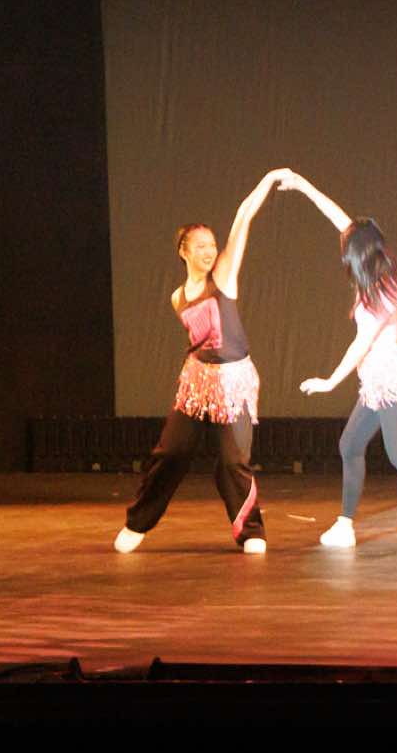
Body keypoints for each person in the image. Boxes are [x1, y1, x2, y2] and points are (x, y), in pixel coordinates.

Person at [281, 171, 397, 555]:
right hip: (376, 380)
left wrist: (330, 381)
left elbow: (361, 345)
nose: (342, 251)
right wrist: (300, 184)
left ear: (357, 254)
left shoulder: (382, 289)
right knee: (350, 444)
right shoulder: (372, 268)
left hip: (389, 378)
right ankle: (345, 525)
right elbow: (339, 219)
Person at [113, 171, 279, 554]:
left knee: (234, 461)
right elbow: (200, 340)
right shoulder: (177, 297)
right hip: (196, 384)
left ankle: (251, 531)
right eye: (200, 245)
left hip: (232, 383)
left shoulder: (224, 278)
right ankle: (137, 523)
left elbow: (242, 219)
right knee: (170, 453)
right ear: (183, 251)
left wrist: (269, 180)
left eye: (212, 244)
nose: (209, 251)